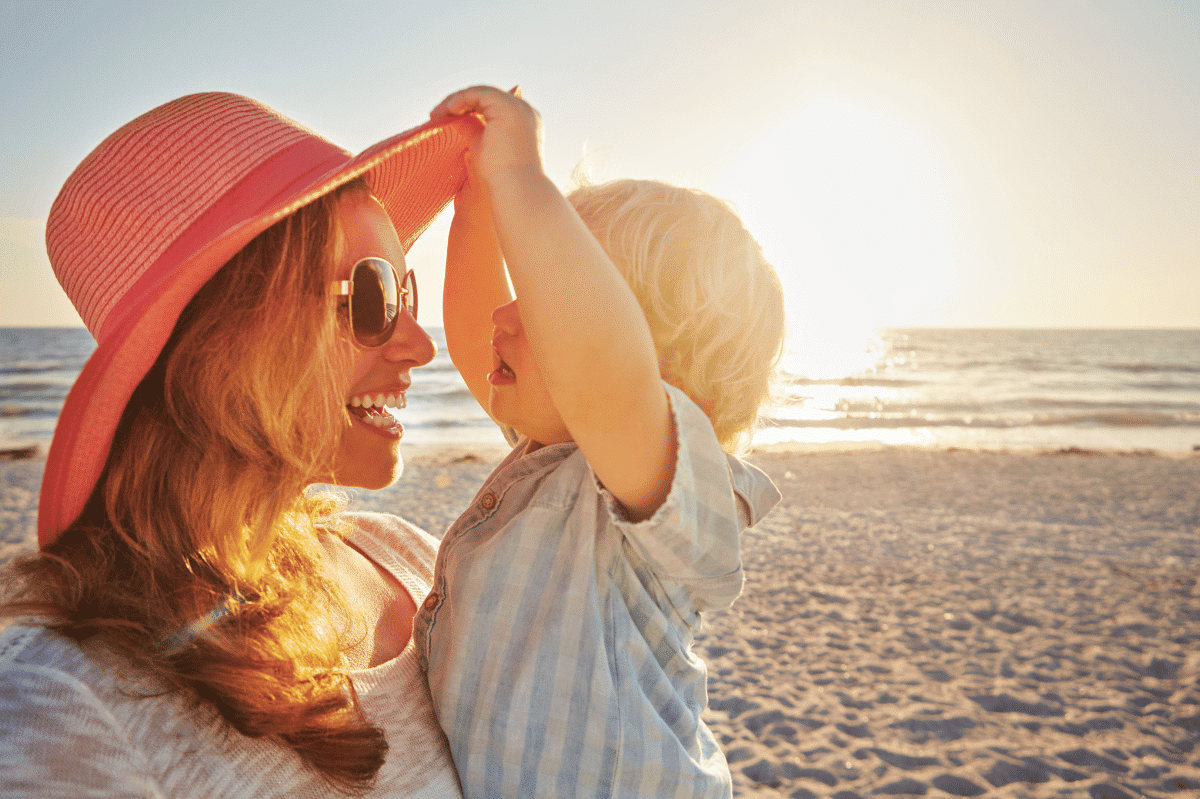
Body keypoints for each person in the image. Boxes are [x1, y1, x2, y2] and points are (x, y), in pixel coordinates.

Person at [0, 92, 480, 797]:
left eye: (406, 290)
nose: (418, 344)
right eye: (375, 296)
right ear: (220, 342)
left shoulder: (411, 559)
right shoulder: (69, 709)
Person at [412, 86, 787, 798]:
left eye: (546, 293)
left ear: (651, 356)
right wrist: (479, 208)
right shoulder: (551, 453)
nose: (508, 311)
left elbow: (602, 377)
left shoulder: (663, 481)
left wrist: (523, 180)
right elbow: (471, 337)